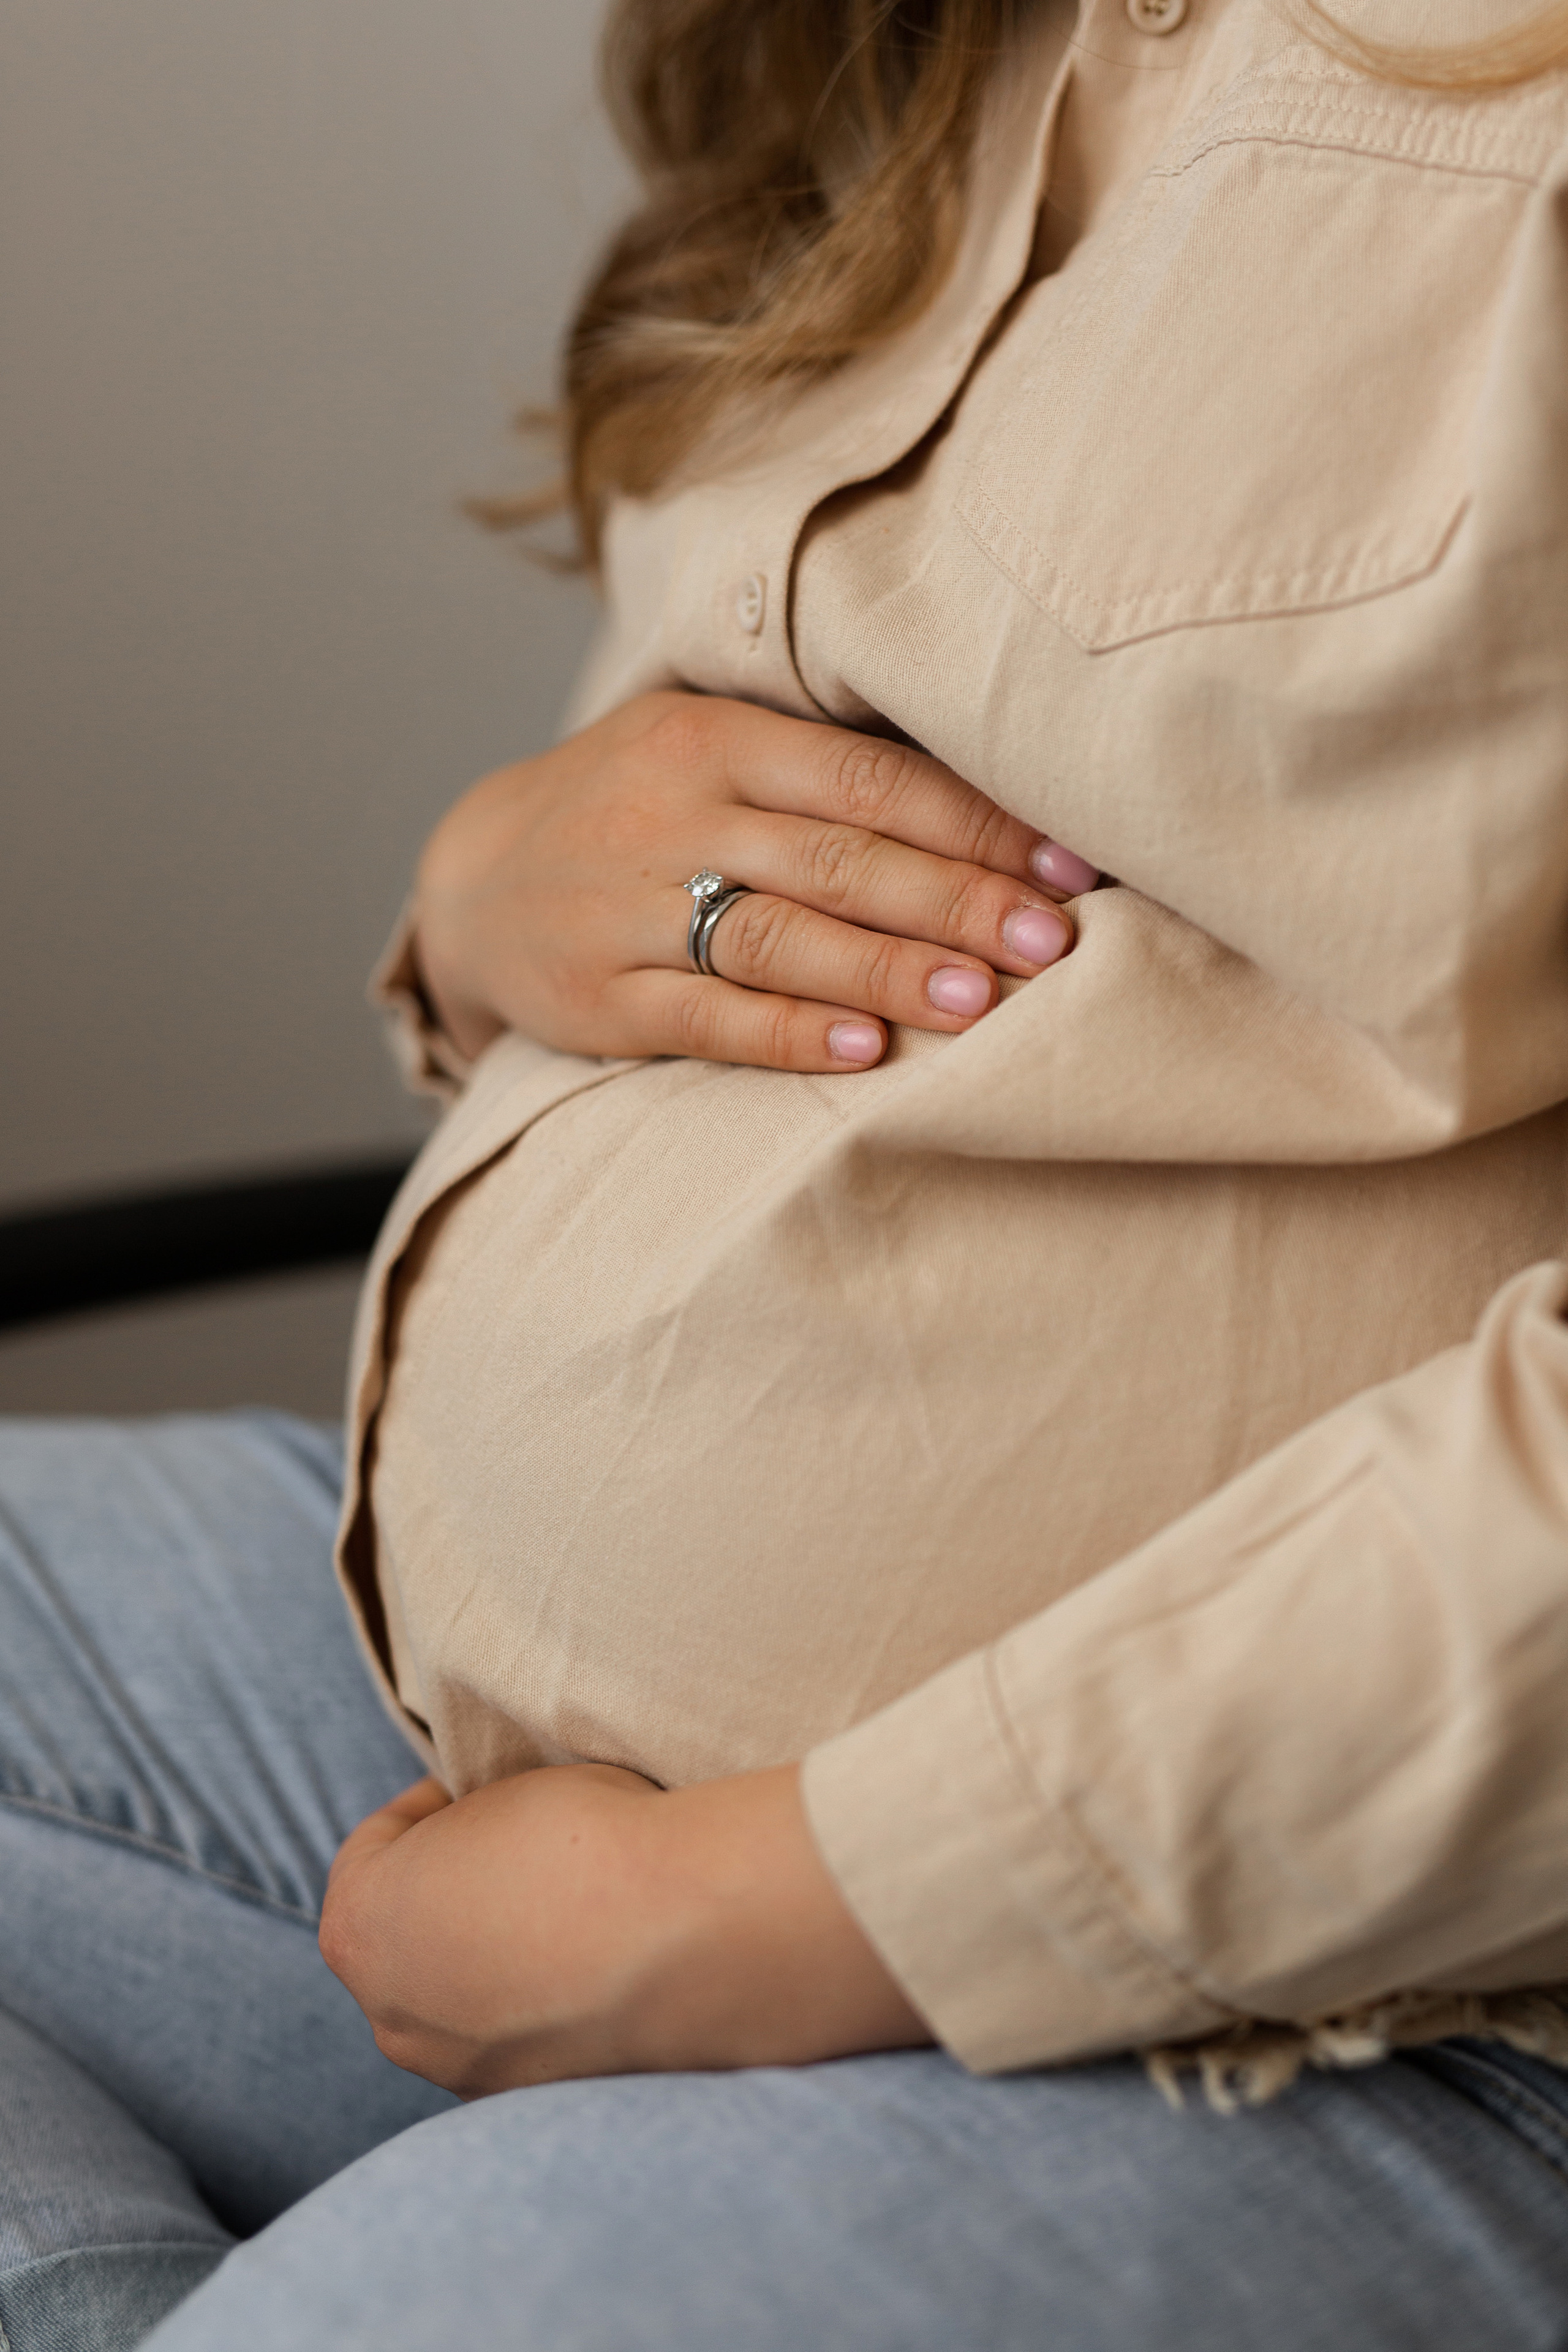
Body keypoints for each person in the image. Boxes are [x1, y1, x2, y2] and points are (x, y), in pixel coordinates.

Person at [6, 0, 1568, 2345]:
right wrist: (480, 899)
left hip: (1359, 1979)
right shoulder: (921, 43)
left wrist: (779, 1906)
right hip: (486, 1786)